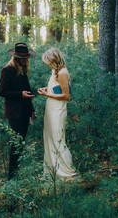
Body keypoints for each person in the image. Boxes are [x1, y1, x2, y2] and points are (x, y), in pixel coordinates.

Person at [37, 48, 77, 180]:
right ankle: (53, 170)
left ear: (54, 60)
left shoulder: (63, 72)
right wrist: (47, 89)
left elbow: (66, 95)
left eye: (48, 61)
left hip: (58, 110)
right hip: (51, 108)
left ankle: (66, 171)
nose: (47, 64)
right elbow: (57, 89)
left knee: (58, 138)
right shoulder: (55, 71)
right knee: (50, 138)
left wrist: (47, 94)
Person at [0, 42, 37, 179]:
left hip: (25, 112)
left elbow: (28, 92)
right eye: (22, 58)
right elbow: (2, 92)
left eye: (26, 57)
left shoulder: (23, 71)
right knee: (17, 142)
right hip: (14, 113)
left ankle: (17, 172)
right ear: (15, 57)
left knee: (22, 142)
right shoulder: (7, 70)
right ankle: (12, 176)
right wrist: (20, 94)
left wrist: (32, 110)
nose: (25, 60)